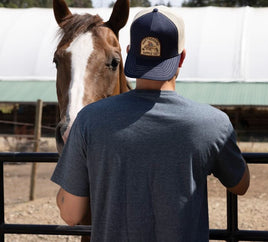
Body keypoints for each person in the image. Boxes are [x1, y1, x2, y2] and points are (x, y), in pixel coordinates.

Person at [51, 6, 250, 242]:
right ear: (182, 57)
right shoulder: (213, 123)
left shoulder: (88, 121)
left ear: (128, 52)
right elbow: (241, 185)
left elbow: (71, 214)